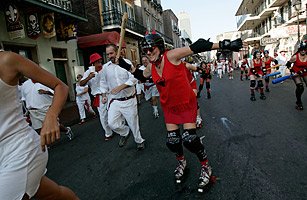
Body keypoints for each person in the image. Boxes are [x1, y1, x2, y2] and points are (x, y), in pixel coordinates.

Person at [118, 32, 243, 189]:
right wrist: (123, 64)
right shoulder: (151, 66)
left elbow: (198, 45)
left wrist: (225, 44)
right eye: (145, 50)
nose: (148, 53)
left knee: (190, 140)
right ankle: (182, 162)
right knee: (173, 141)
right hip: (169, 107)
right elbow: (141, 76)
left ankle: (206, 167)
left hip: (185, 103)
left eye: (151, 49)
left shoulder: (171, 56)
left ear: (160, 47)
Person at [0, 50, 79, 200]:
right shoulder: (26, 86)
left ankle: (64, 130)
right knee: (53, 194)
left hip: (19, 149)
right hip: (32, 113)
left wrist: (51, 116)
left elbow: (60, 87)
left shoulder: (6, 60)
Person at [100, 44, 145, 150]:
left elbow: (134, 78)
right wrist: (103, 95)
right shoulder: (105, 68)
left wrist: (121, 87)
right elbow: (103, 83)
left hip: (129, 100)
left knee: (133, 123)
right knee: (112, 123)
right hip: (114, 100)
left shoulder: (127, 63)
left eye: (111, 53)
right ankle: (125, 132)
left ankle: (139, 141)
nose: (109, 56)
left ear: (117, 52)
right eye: (107, 54)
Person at [80, 53, 113, 141]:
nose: (99, 64)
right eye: (97, 62)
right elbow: (81, 84)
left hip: (110, 94)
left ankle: (118, 126)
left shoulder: (105, 69)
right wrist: (89, 78)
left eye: (100, 62)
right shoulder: (88, 72)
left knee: (114, 112)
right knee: (103, 116)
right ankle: (108, 133)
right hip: (99, 97)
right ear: (92, 64)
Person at [286, 41, 307, 110]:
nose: (303, 51)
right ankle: (299, 102)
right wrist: (291, 70)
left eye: (305, 49)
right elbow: (288, 64)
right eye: (302, 49)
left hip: (304, 72)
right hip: (296, 72)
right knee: (300, 87)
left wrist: (302, 71)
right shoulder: (295, 56)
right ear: (299, 49)